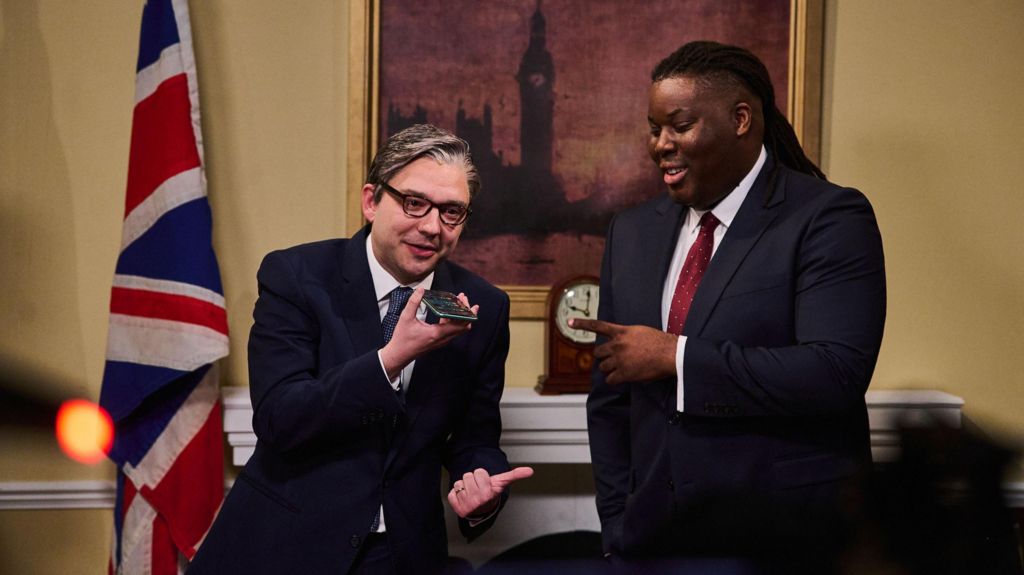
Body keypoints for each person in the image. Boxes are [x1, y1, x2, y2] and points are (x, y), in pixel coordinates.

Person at [572, 41, 886, 569]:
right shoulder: (630, 232)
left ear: (741, 119)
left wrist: (677, 356)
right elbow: (610, 400)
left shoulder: (828, 218)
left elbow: (835, 371)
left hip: (786, 543)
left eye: (679, 126)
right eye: (654, 129)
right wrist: (616, 525)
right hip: (651, 545)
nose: (660, 146)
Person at [189, 124, 533, 575]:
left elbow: (475, 438)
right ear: (371, 201)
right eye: (414, 203)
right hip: (286, 545)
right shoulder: (296, 276)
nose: (432, 227)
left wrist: (482, 490)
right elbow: (280, 418)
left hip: (403, 556)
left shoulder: (484, 307)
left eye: (452, 212)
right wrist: (390, 359)